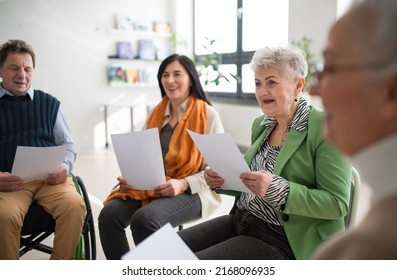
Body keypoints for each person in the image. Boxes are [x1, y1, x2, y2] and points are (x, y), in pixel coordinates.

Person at [177, 46, 352, 260]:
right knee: (164, 251)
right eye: (258, 83)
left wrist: (277, 189)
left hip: (283, 238)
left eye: (271, 82)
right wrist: (223, 180)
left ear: (298, 85)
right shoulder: (262, 124)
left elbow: (337, 204)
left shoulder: (326, 128)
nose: (262, 92)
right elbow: (250, 183)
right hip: (242, 219)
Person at [98, 54, 224, 260]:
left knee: (145, 220)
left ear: (191, 79)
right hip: (154, 186)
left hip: (196, 190)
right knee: (108, 216)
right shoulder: (155, 113)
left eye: (177, 74)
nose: (170, 80)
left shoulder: (208, 115)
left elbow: (218, 171)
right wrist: (132, 177)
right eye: (165, 75)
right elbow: (140, 155)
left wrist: (183, 183)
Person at [310, 0, 397, 259]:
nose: (314, 90)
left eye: (330, 67)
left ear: (391, 93)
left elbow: (335, 202)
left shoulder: (366, 252)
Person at [0, 39, 85, 260]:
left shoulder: (49, 104)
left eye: (28, 69)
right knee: (4, 216)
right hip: (10, 182)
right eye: (14, 67)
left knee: (75, 205)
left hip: (50, 179)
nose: (22, 74)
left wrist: (64, 167)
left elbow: (68, 145)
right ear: (0, 70)